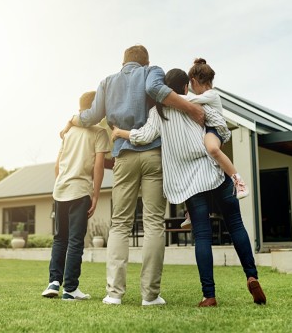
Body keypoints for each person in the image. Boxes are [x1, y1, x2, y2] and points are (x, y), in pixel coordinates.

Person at [61, 44, 204, 306]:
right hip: (153, 156)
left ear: (123, 62)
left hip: (123, 156)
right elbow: (155, 90)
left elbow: (92, 116)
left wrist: (73, 118)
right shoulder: (152, 71)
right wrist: (190, 108)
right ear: (145, 61)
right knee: (153, 224)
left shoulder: (107, 82)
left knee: (120, 224)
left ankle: (114, 294)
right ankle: (150, 295)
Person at [112, 68, 266, 307]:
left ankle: (209, 295)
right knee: (235, 224)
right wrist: (216, 137)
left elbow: (143, 136)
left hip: (189, 184)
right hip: (213, 171)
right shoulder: (195, 103)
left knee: (202, 235)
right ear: (186, 87)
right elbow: (220, 126)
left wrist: (120, 132)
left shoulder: (158, 111)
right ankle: (251, 275)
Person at [42, 91, 110, 301]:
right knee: (75, 241)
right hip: (80, 192)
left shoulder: (68, 132)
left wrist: (61, 183)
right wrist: (96, 194)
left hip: (60, 190)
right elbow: (99, 165)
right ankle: (70, 289)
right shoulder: (99, 133)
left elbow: (57, 165)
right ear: (96, 109)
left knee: (59, 239)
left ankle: (54, 282)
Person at [180, 58, 249, 229]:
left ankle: (238, 181)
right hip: (207, 131)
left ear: (194, 81)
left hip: (215, 131)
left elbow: (189, 101)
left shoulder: (211, 95)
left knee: (211, 149)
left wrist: (168, 95)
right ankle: (190, 211)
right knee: (199, 171)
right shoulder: (205, 96)